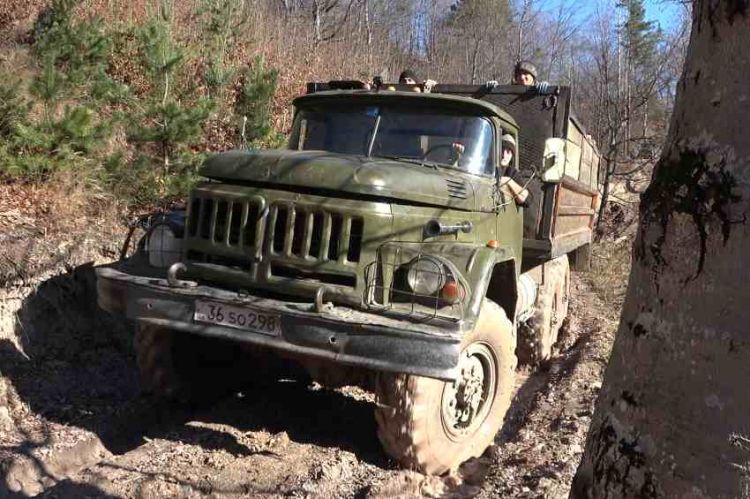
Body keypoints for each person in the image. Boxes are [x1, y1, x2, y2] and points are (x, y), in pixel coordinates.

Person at [499, 134, 530, 206]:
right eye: (502, 149)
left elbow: (528, 199)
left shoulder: (511, 173)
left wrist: (508, 181)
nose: (504, 155)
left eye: (508, 152)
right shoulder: (486, 166)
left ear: (512, 156)